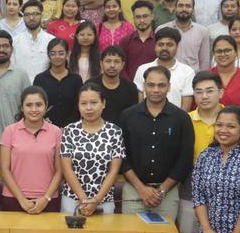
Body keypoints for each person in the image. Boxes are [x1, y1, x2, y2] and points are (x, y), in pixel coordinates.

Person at [175, 71, 226, 233]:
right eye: (199, 92)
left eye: (209, 91)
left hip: (224, 196)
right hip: (189, 190)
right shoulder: (185, 120)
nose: (204, 96)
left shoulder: (231, 119)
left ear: (221, 92)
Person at [119, 66, 194, 218]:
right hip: (134, 190)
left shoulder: (181, 118)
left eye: (161, 85)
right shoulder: (128, 116)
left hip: (167, 193)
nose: (156, 89)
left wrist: (162, 190)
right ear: (144, 86)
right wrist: (141, 189)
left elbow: (185, 159)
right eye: (151, 85)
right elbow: (121, 156)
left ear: (169, 87)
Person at [59, 81, 125, 216]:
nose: (89, 108)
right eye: (83, 103)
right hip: (72, 199)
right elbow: (66, 168)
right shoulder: (69, 130)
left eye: (94, 103)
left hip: (104, 201)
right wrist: (83, 199)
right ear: (78, 106)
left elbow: (114, 171)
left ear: (103, 103)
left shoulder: (115, 131)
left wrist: (96, 200)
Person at [0, 86, 63, 213]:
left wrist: (45, 198)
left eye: (38, 105)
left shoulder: (56, 132)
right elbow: (4, 170)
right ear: (22, 107)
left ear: (46, 106)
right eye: (29, 105)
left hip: (48, 200)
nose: (34, 109)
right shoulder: (10, 131)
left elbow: (60, 170)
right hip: (13, 199)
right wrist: (21, 199)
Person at [134, 27, 195, 110]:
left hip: (175, 121)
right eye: (160, 44)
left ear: (177, 47)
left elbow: (185, 108)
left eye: (169, 45)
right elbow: (139, 103)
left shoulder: (187, 72)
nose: (164, 48)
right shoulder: (142, 70)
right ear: (155, 46)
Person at [33, 38, 82, 127]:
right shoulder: (40, 79)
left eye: (61, 53)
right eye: (53, 53)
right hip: (45, 127)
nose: (57, 57)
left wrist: (67, 127)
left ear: (67, 54)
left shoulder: (76, 79)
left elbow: (78, 106)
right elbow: (36, 105)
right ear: (48, 55)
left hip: (72, 129)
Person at [156, 0, 210, 71]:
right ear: (175, 8)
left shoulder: (203, 31)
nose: (184, 9)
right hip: (167, 75)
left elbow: (204, 61)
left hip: (193, 77)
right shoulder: (161, 29)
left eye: (188, 6)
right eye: (180, 6)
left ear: (193, 10)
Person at [12, 0, 55, 82]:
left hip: (45, 88)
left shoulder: (51, 40)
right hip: (21, 88)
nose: (31, 18)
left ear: (42, 15)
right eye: (27, 15)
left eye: (35, 14)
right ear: (23, 17)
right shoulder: (15, 41)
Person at [97, 46, 140, 124]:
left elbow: (133, 116)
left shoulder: (130, 88)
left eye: (116, 62)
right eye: (108, 61)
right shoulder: (91, 86)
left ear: (123, 64)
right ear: (101, 63)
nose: (112, 65)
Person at [121, 0, 157, 81]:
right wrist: (130, 86)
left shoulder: (159, 41)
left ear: (152, 17)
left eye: (145, 16)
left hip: (155, 88)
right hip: (130, 88)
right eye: (138, 17)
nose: (141, 20)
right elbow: (121, 67)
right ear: (133, 18)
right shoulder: (125, 41)